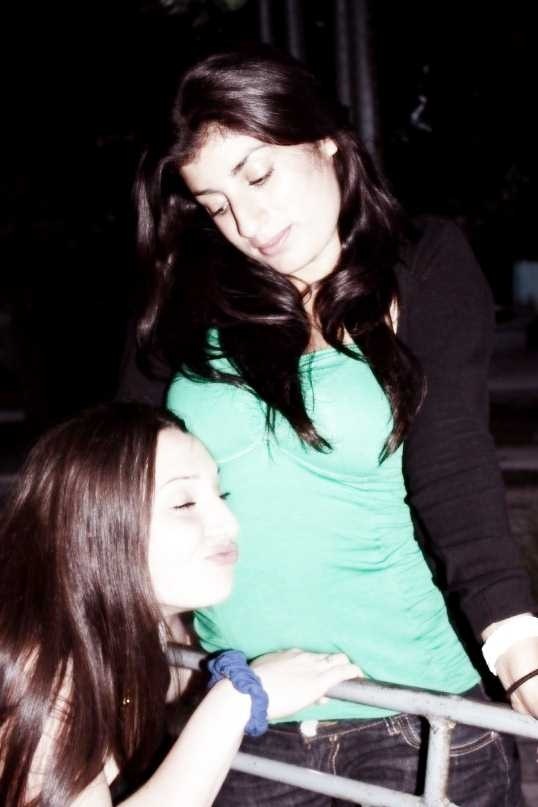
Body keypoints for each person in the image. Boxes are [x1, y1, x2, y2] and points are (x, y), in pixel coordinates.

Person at [119, 45, 538, 805]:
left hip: (413, 716)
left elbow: (451, 462)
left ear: (324, 141)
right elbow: (120, 473)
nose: (248, 222)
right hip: (243, 715)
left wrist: (517, 642)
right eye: (216, 204)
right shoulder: (187, 293)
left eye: (257, 175)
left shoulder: (423, 263)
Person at [0, 401, 360, 806]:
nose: (229, 522)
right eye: (184, 504)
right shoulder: (37, 668)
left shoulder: (149, 633)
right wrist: (237, 700)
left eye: (221, 495)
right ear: (94, 529)